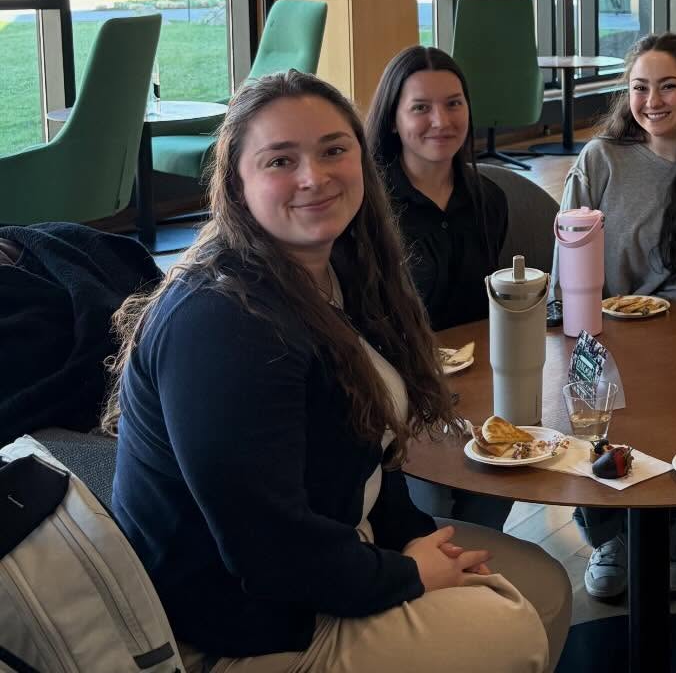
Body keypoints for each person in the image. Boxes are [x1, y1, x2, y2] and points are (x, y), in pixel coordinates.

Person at [107, 71, 572, 673]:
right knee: (511, 625)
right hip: (241, 626)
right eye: (280, 160)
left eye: (333, 150)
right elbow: (267, 553)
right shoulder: (221, 319)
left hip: (331, 556)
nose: (314, 177)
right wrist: (408, 573)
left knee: (545, 586)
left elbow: (370, 449)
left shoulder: (339, 275)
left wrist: (407, 538)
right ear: (237, 184)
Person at [558, 32, 676, 600]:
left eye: (669, 86)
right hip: (597, 330)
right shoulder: (601, 160)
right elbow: (568, 254)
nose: (652, 100)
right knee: (589, 422)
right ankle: (608, 535)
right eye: (640, 87)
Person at [367, 45, 513, 532]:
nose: (441, 120)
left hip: (481, 387)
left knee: (499, 481)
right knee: (432, 520)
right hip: (398, 390)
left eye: (454, 103)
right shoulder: (366, 207)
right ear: (393, 120)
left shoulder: (488, 197)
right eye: (421, 108)